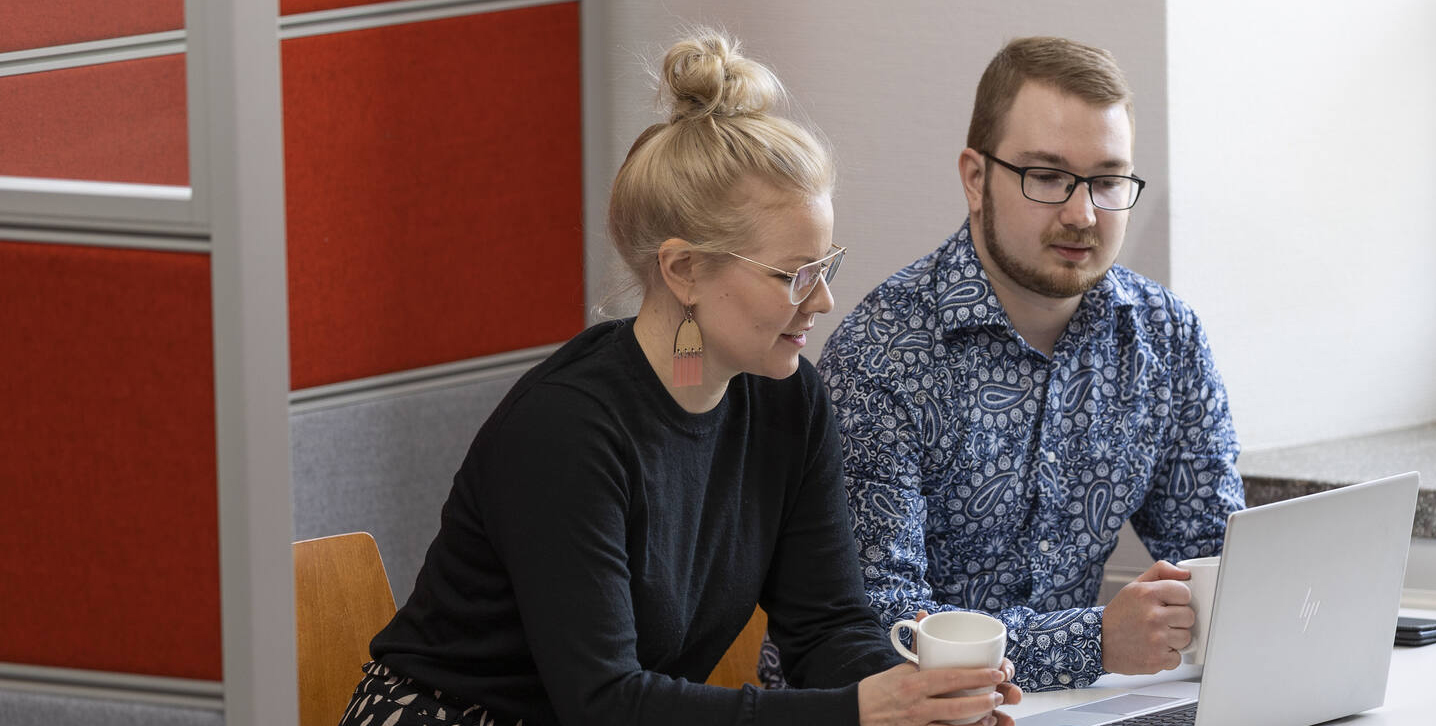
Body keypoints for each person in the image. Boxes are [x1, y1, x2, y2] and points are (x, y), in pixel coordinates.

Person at [342, 31, 1020, 726]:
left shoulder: (790, 403)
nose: (822, 302)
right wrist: (857, 712)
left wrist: (921, 702)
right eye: (795, 276)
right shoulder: (566, 432)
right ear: (684, 271)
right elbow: (605, 703)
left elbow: (825, 630)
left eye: (828, 266)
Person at [807, 36, 1245, 693]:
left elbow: (1219, 562)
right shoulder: (882, 354)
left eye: (1106, 181)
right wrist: (1095, 642)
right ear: (975, 178)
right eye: (1046, 177)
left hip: (1065, 711)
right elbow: (883, 629)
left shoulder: (1166, 338)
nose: (1081, 213)